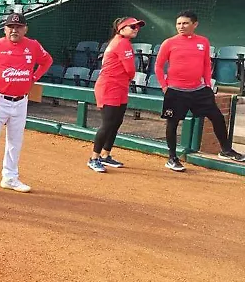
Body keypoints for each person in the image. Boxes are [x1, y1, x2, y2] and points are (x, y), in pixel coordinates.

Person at [155, 9, 245, 171]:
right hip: (175, 90)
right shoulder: (169, 42)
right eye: (178, 23)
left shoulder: (203, 41)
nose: (181, 26)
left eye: (185, 23)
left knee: (217, 117)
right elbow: (159, 66)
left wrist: (207, 85)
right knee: (173, 123)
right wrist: (164, 86)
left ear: (195, 24)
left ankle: (225, 150)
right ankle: (172, 158)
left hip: (199, 90)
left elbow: (205, 65)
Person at [0, 13, 52, 195]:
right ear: (5, 29)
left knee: (15, 141)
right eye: (11, 27)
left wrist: (34, 77)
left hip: (21, 101)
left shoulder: (33, 45)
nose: (14, 30)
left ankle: (10, 178)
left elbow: (47, 61)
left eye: (18, 27)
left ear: (25, 29)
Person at [87, 17, 143, 173]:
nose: (136, 29)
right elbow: (130, 70)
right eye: (132, 26)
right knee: (108, 123)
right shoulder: (122, 43)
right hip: (110, 87)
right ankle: (94, 158)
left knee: (116, 122)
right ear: (121, 29)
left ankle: (105, 155)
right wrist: (128, 78)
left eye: (137, 27)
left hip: (119, 87)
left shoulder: (121, 41)